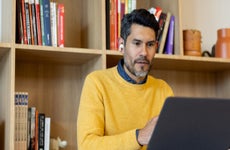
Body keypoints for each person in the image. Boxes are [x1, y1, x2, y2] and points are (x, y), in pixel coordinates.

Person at [77, 8, 174, 150]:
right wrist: (139, 137)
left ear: (156, 47)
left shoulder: (163, 90)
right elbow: (87, 146)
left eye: (150, 45)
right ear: (121, 45)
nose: (144, 52)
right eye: (136, 43)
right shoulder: (96, 83)